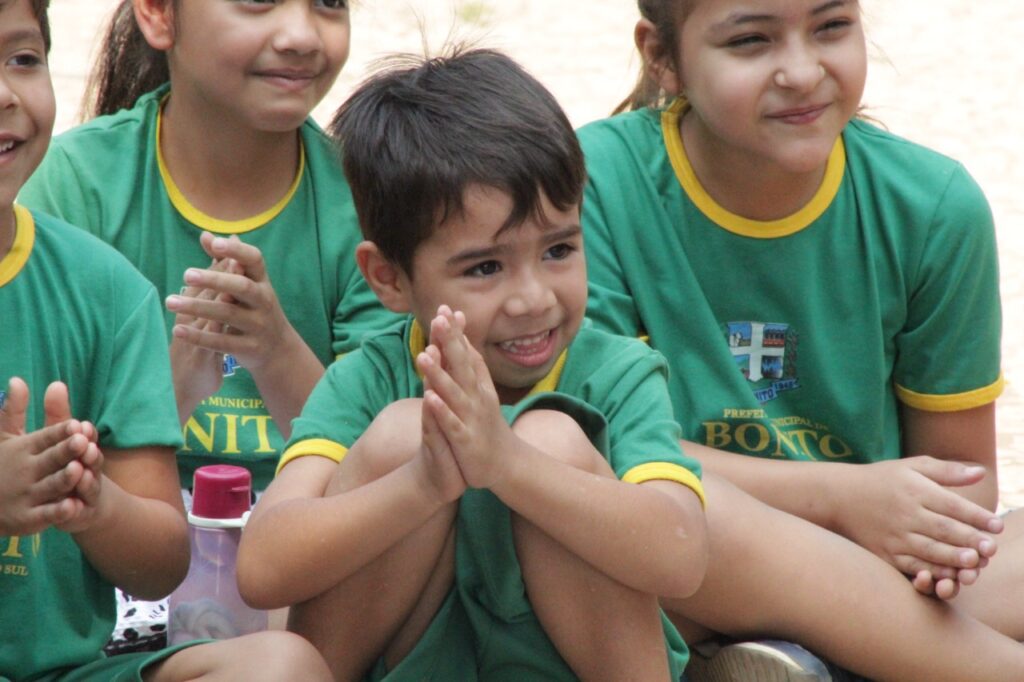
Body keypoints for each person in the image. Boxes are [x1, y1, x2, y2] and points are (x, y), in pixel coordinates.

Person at [578, 0, 1024, 680]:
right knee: (681, 514)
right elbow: (599, 449)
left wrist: (915, 527)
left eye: (831, 27)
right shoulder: (595, 181)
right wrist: (841, 498)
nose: (803, 70)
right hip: (684, 548)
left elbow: (963, 483)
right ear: (661, 55)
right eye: (752, 40)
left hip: (879, 561)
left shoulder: (934, 205)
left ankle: (800, 659)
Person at [236, 47, 710, 681]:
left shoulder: (617, 373)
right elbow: (263, 568)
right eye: (486, 267)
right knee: (407, 432)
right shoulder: (371, 381)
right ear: (389, 279)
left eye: (559, 249)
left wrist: (509, 464)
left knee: (553, 438)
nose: (534, 298)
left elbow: (680, 557)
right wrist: (426, 482)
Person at [0, 1, 333, 678]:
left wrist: (93, 505)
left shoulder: (106, 289)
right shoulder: (87, 177)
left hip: (66, 671)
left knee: (280, 666)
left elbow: (158, 564)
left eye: (22, 58)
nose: (5, 94)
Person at [18, 0, 398, 494]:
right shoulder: (76, 186)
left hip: (306, 535)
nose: (302, 36)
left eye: (328, 3)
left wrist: (275, 350)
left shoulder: (367, 204)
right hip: (119, 526)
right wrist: (173, 386)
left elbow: (379, 461)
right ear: (157, 13)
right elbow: (42, 454)